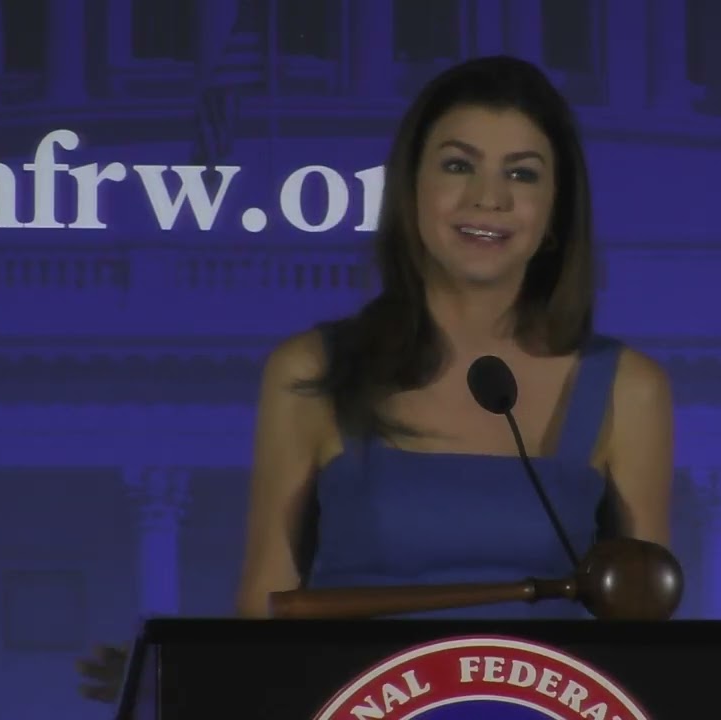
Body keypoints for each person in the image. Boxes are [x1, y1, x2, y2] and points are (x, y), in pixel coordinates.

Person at [235, 54, 675, 620]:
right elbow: (263, 604)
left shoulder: (628, 388)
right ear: (410, 189)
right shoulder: (308, 371)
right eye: (458, 165)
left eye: (522, 173)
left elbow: (647, 626)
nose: (487, 198)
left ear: (555, 212)